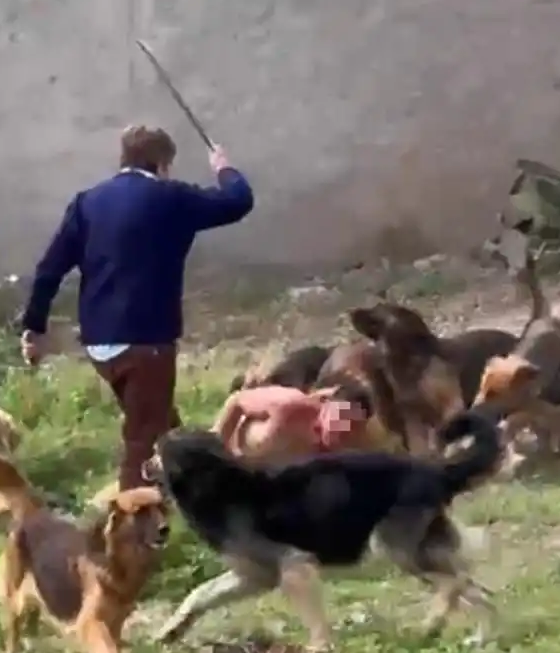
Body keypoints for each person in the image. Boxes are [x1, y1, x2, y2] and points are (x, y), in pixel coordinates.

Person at [20, 125, 254, 489]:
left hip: (100, 344)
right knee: (142, 443)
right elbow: (239, 201)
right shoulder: (172, 197)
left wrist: (33, 328)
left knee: (158, 419)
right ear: (162, 163)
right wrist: (223, 167)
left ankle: (200, 487)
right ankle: (131, 526)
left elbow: (49, 269)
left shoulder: (87, 202)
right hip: (146, 343)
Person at [212, 381, 380, 462]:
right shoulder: (289, 405)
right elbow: (238, 400)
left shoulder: (339, 456)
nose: (344, 429)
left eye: (354, 426)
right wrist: (214, 449)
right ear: (327, 403)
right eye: (342, 416)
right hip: (232, 456)